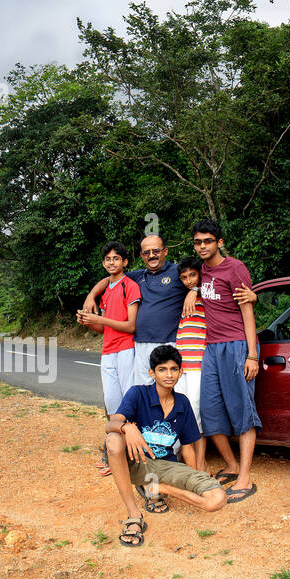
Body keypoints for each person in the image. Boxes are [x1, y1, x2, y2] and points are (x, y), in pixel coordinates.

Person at [102, 343, 226, 546]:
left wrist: (194, 478)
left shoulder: (183, 403)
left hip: (163, 466)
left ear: (180, 372)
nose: (169, 375)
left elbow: (187, 446)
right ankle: (134, 514)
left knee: (217, 499)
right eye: (162, 369)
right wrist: (127, 427)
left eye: (173, 369)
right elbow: (111, 425)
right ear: (152, 373)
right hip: (133, 462)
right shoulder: (138, 393)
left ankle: (159, 488)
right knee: (114, 440)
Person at [189, 219, 260, 501]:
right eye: (197, 242)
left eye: (207, 241)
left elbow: (247, 311)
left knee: (242, 411)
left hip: (237, 346)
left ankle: (244, 477)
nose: (202, 246)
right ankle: (230, 464)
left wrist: (252, 355)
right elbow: (184, 277)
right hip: (211, 349)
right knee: (209, 411)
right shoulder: (201, 271)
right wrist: (193, 290)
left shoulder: (235, 268)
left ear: (219, 242)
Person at [74, 242, 140, 473]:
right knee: (112, 405)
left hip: (126, 349)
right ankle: (114, 453)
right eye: (108, 259)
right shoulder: (106, 291)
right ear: (103, 263)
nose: (112, 262)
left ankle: (134, 456)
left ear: (125, 262)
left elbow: (131, 326)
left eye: (116, 258)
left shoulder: (129, 286)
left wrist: (100, 320)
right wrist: (90, 323)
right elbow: (104, 329)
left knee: (128, 403)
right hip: (108, 351)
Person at [171, 255, 209, 411]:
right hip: (181, 361)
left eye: (192, 275)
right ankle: (183, 435)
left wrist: (196, 289)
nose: (189, 280)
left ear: (200, 274)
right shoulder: (185, 298)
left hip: (198, 363)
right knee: (180, 403)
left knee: (194, 404)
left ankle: (197, 435)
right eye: (184, 278)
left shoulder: (207, 297)